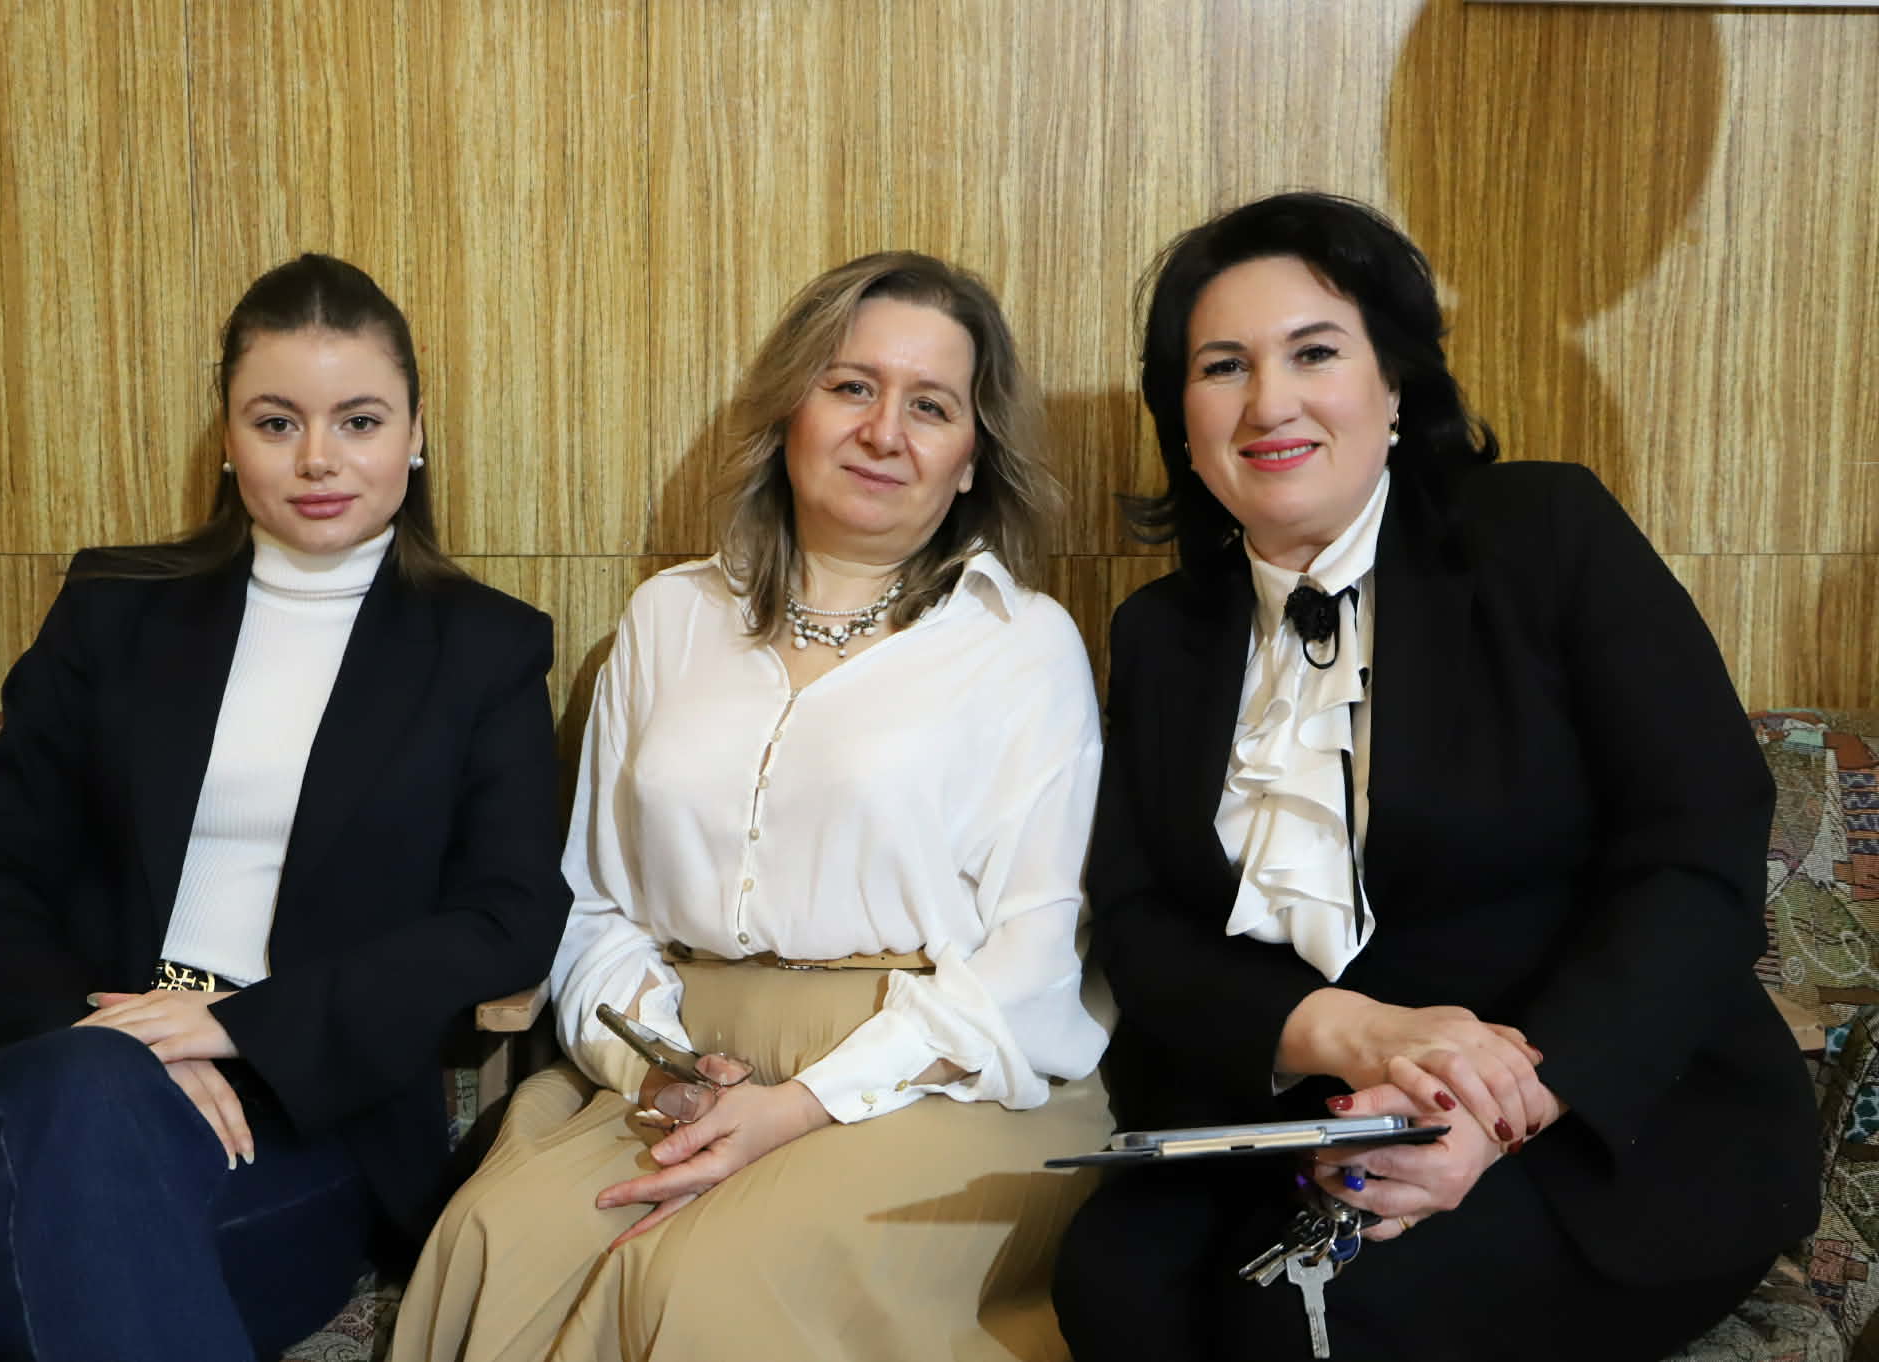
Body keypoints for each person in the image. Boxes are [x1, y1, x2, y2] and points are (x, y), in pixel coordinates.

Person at [1051, 193, 1818, 1361]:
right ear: (1183, 423)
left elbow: (1696, 848)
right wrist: (1343, 1034)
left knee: (1309, 1317)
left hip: (1602, 1118)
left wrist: (1501, 1109)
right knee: (1110, 1287)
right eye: (1222, 367)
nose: (1268, 402)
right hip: (1310, 1116)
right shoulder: (1160, 632)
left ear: (1395, 386)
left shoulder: (1545, 532)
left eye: (1313, 352)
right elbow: (1143, 919)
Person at [392, 252, 1112, 1362]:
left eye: (930, 406)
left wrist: (803, 1102)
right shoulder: (668, 619)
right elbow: (595, 903)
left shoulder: (1021, 645)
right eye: (851, 386)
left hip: (938, 1072)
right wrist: (658, 1067)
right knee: (502, 1237)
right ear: (788, 412)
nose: (884, 431)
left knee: (700, 1280)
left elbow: (1032, 960)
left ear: (973, 457)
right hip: (689, 1055)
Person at [0, 254, 572, 1362]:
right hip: (53, 1056)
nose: (319, 457)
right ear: (230, 440)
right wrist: (117, 1045)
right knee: (88, 1095)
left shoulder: (483, 648)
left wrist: (238, 1027)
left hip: (302, 1117)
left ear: (415, 434)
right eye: (277, 422)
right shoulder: (114, 610)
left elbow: (508, 915)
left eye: (360, 420)